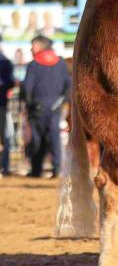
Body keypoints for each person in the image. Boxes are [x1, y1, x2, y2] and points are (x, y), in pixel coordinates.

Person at [22, 35, 71, 178]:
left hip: (37, 107)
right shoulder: (60, 63)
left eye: (33, 45)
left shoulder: (34, 64)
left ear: (41, 46)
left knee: (37, 138)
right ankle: (57, 169)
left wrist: (29, 104)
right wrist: (61, 102)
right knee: (54, 137)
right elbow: (68, 85)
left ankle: (36, 170)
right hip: (55, 107)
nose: (31, 48)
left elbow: (27, 87)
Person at [0, 36, 15, 175]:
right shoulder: (6, 61)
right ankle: (4, 166)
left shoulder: (5, 62)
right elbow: (10, 83)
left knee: (3, 136)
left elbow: (9, 83)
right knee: (3, 136)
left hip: (1, 104)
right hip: (2, 104)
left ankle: (4, 166)